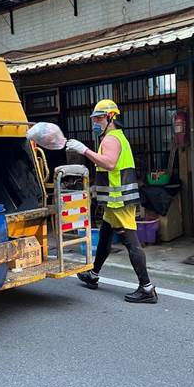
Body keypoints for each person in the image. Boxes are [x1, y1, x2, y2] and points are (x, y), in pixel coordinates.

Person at [66, 99, 157, 304]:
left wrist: (84, 151)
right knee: (106, 235)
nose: (95, 122)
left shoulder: (111, 139)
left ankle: (147, 288)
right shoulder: (115, 137)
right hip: (115, 199)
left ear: (110, 117)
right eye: (94, 118)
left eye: (99, 118)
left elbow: (109, 163)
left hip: (118, 201)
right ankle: (93, 274)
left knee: (131, 242)